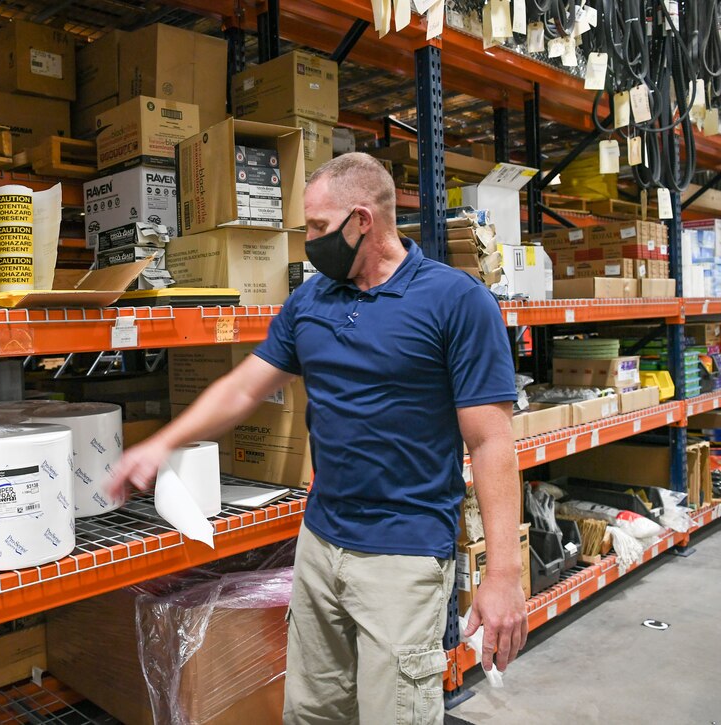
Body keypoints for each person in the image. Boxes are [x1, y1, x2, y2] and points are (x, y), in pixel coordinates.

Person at [108, 152, 526, 724]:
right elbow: (242, 389)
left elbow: (491, 443)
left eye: (319, 229)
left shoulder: (455, 302)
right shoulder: (311, 302)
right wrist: (163, 443)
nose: (310, 242)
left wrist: (504, 575)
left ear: (363, 221)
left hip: (403, 557)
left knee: (394, 715)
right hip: (321, 545)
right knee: (311, 713)